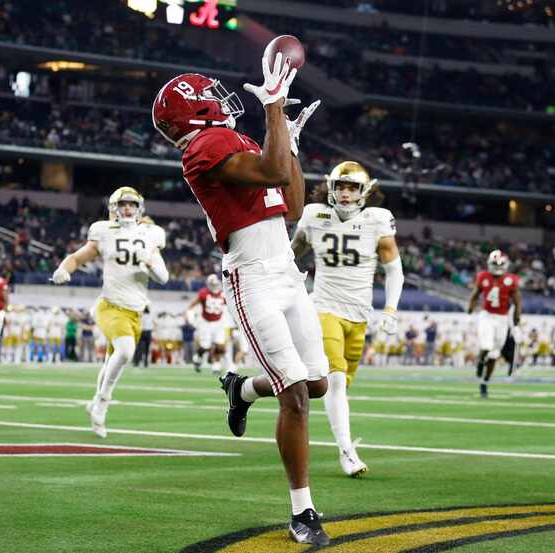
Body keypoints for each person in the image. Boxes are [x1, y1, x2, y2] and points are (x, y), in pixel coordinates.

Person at [153, 55, 330, 544]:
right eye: (207, 95)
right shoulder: (204, 145)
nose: (219, 98)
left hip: (287, 272)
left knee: (317, 385)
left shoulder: (234, 140)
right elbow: (273, 170)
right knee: (295, 394)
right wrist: (273, 111)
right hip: (250, 277)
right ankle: (303, 510)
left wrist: (289, 141)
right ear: (193, 113)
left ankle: (243, 389)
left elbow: (293, 205)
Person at [291, 160, 404, 477]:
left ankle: (249, 390)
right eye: (340, 186)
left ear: (364, 191)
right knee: (336, 381)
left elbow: (394, 268)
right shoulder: (314, 215)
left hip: (359, 315)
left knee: (334, 385)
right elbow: (292, 252)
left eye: (351, 187)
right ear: (330, 187)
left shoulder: (377, 220)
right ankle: (347, 452)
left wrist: (391, 309)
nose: (344, 193)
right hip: (324, 307)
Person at [51, 186, 169, 438]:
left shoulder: (150, 234)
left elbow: (164, 277)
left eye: (132, 205)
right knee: (126, 352)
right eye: (123, 204)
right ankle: (102, 403)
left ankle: (95, 403)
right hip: (109, 305)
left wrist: (148, 265)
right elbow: (78, 256)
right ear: (114, 207)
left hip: (135, 311)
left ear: (139, 208)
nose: (128, 208)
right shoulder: (103, 232)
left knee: (110, 362)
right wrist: (64, 269)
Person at [467, 250, 522, 398]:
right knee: (486, 346)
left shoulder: (511, 280)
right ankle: (480, 363)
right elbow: (475, 294)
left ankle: (484, 383)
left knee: (494, 355)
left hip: (502, 319)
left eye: (500, 264)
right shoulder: (483, 276)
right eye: (495, 264)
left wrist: (517, 318)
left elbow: (517, 301)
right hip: (487, 316)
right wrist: (470, 307)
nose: (497, 267)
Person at [187, 273, 228, 374]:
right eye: (212, 284)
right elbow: (191, 305)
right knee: (205, 347)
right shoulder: (203, 293)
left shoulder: (223, 294)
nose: (215, 286)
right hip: (206, 322)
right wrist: (191, 318)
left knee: (219, 346)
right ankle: (197, 357)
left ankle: (216, 365)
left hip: (219, 322)